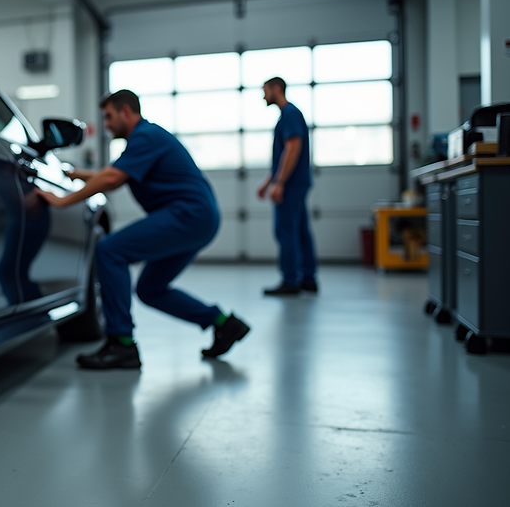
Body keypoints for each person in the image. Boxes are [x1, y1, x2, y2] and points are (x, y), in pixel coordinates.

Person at [36, 90, 250, 369]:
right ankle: (223, 323)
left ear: (127, 112)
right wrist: (74, 175)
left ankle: (122, 343)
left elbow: (113, 178)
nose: (107, 125)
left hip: (188, 215)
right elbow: (115, 171)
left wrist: (63, 200)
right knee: (151, 289)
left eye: (110, 117)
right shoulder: (146, 139)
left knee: (110, 250)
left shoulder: (145, 136)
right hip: (198, 218)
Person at [256, 77, 318, 296]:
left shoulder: (289, 114)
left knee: (285, 231)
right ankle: (308, 278)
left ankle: (290, 280)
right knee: (300, 231)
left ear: (276, 89)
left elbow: (292, 149)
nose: (263, 96)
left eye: (265, 91)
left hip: (291, 185)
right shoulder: (291, 114)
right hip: (296, 183)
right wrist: (267, 183)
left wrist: (280, 183)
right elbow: (283, 154)